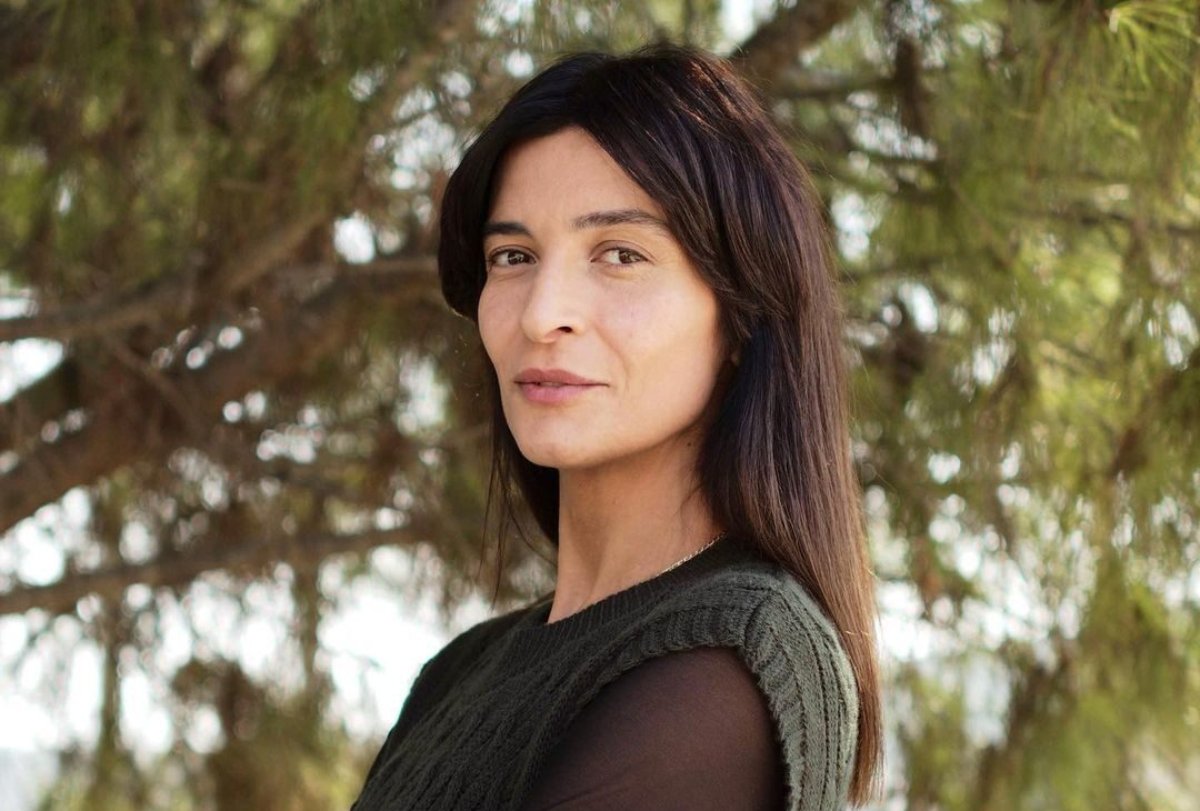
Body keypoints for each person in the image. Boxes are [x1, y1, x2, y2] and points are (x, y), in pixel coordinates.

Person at [351, 42, 883, 811]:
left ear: (740, 314)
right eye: (513, 255)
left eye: (620, 254)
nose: (542, 314)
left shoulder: (728, 660)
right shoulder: (456, 675)